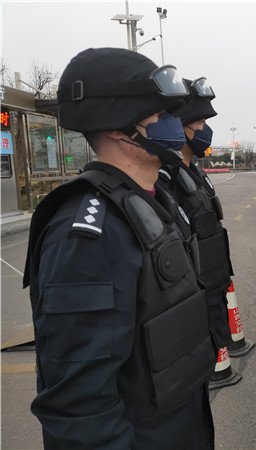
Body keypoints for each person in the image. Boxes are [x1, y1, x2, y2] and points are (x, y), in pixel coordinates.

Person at [23, 48, 217, 449]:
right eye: (160, 114)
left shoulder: (154, 201)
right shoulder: (86, 235)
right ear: (116, 126)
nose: (174, 123)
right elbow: (80, 408)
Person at [156, 77, 234, 351]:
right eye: (200, 122)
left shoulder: (193, 172)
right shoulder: (165, 178)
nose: (205, 129)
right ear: (180, 126)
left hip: (214, 284)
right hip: (197, 291)